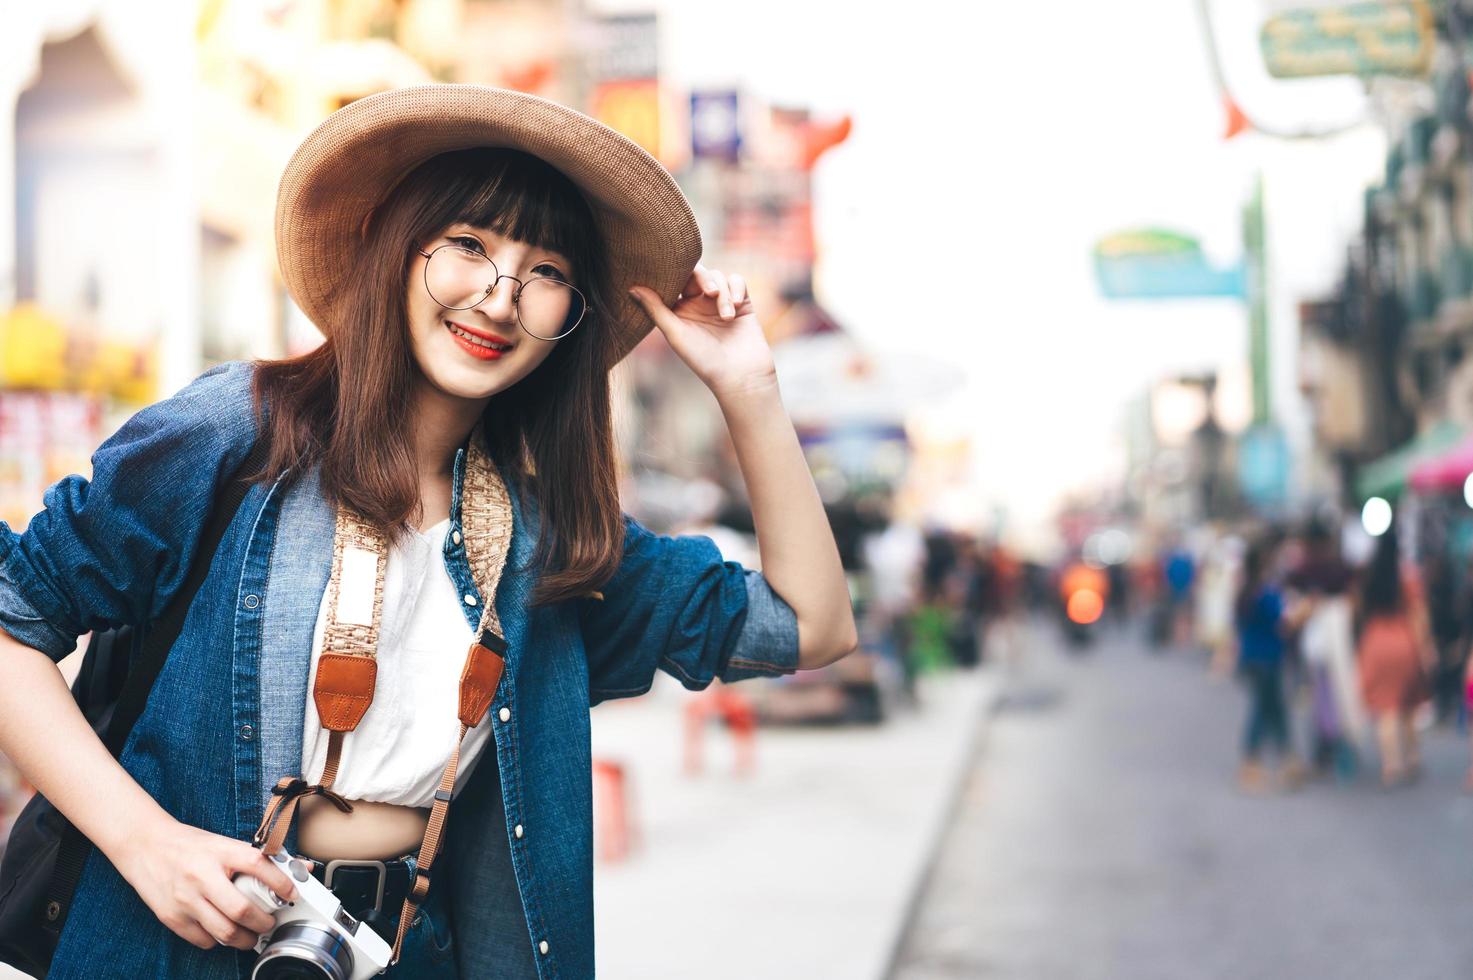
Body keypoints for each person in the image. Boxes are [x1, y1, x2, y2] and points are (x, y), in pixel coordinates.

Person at [0, 85, 857, 978]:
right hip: (176, 945)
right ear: (397, 249)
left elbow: (809, 625)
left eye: (548, 273)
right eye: (469, 247)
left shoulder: (550, 542)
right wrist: (146, 843)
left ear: (572, 318)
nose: (497, 299)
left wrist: (748, 391)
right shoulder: (236, 432)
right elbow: (12, 620)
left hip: (414, 952)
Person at [1357, 523, 1433, 788]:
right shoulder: (1406, 576)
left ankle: (1391, 765)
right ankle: (1412, 757)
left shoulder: (1369, 575)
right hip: (1403, 643)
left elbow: (1359, 611)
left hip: (1375, 643)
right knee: (1410, 705)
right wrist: (1425, 647)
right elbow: (1418, 614)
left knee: (1386, 709)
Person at [1233, 538, 1308, 793]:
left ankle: (1286, 759)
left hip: (1254, 658)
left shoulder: (1246, 591)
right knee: (1266, 710)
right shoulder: (1265, 593)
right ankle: (1257, 761)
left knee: (1272, 710)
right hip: (1268, 659)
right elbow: (1284, 623)